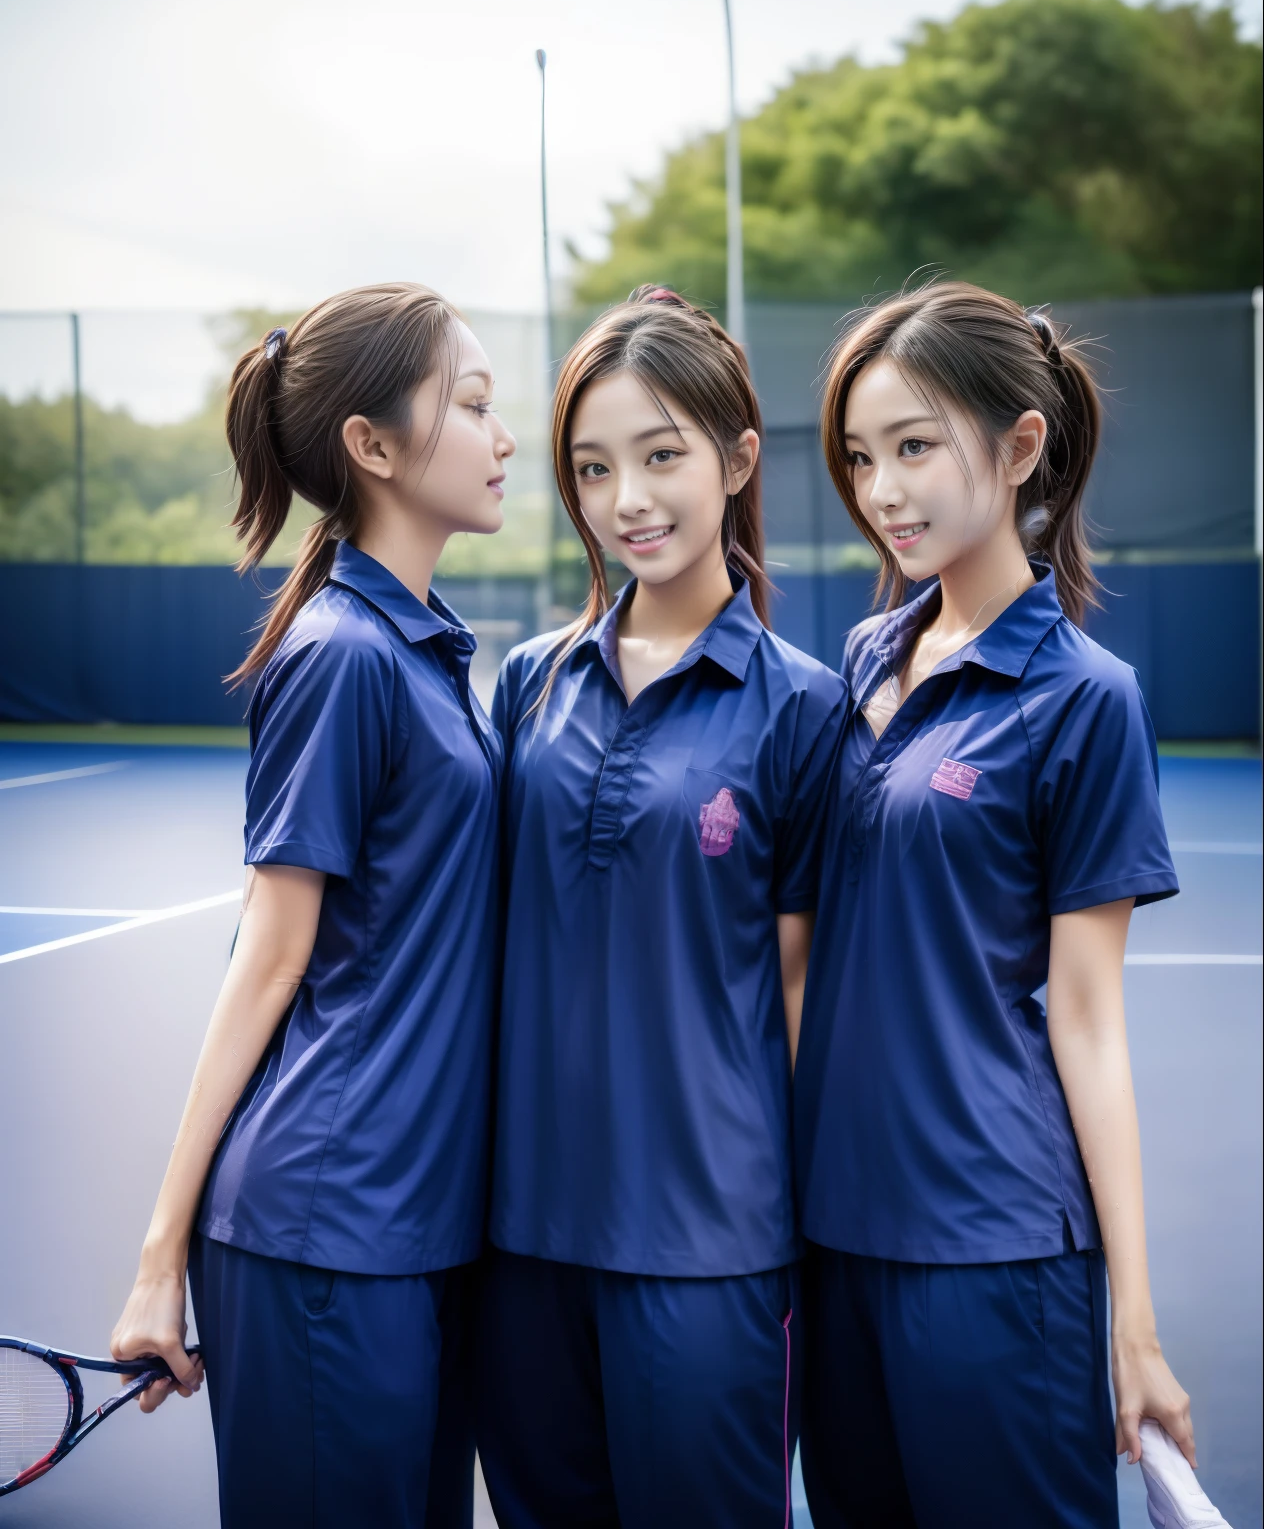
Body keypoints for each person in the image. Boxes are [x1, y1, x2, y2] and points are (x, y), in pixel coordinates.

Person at [110, 283, 516, 1529]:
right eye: (476, 404)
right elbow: (265, 964)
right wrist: (158, 1260)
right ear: (373, 446)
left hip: (414, 1236)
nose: (506, 438)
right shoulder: (340, 655)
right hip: (325, 1235)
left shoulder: (424, 646)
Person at [793, 281, 1194, 1528]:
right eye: (861, 458)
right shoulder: (864, 658)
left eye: (915, 446)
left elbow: (1085, 1022)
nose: (883, 491)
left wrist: (1131, 1317)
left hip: (994, 1249)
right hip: (830, 1243)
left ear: (1020, 447)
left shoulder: (1085, 698)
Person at [476, 286, 847, 1528]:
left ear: (737, 459)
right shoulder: (526, 684)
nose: (625, 498)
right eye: (592, 467)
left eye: (661, 455)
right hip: (521, 1247)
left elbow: (801, 990)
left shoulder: (803, 707)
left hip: (712, 1255)